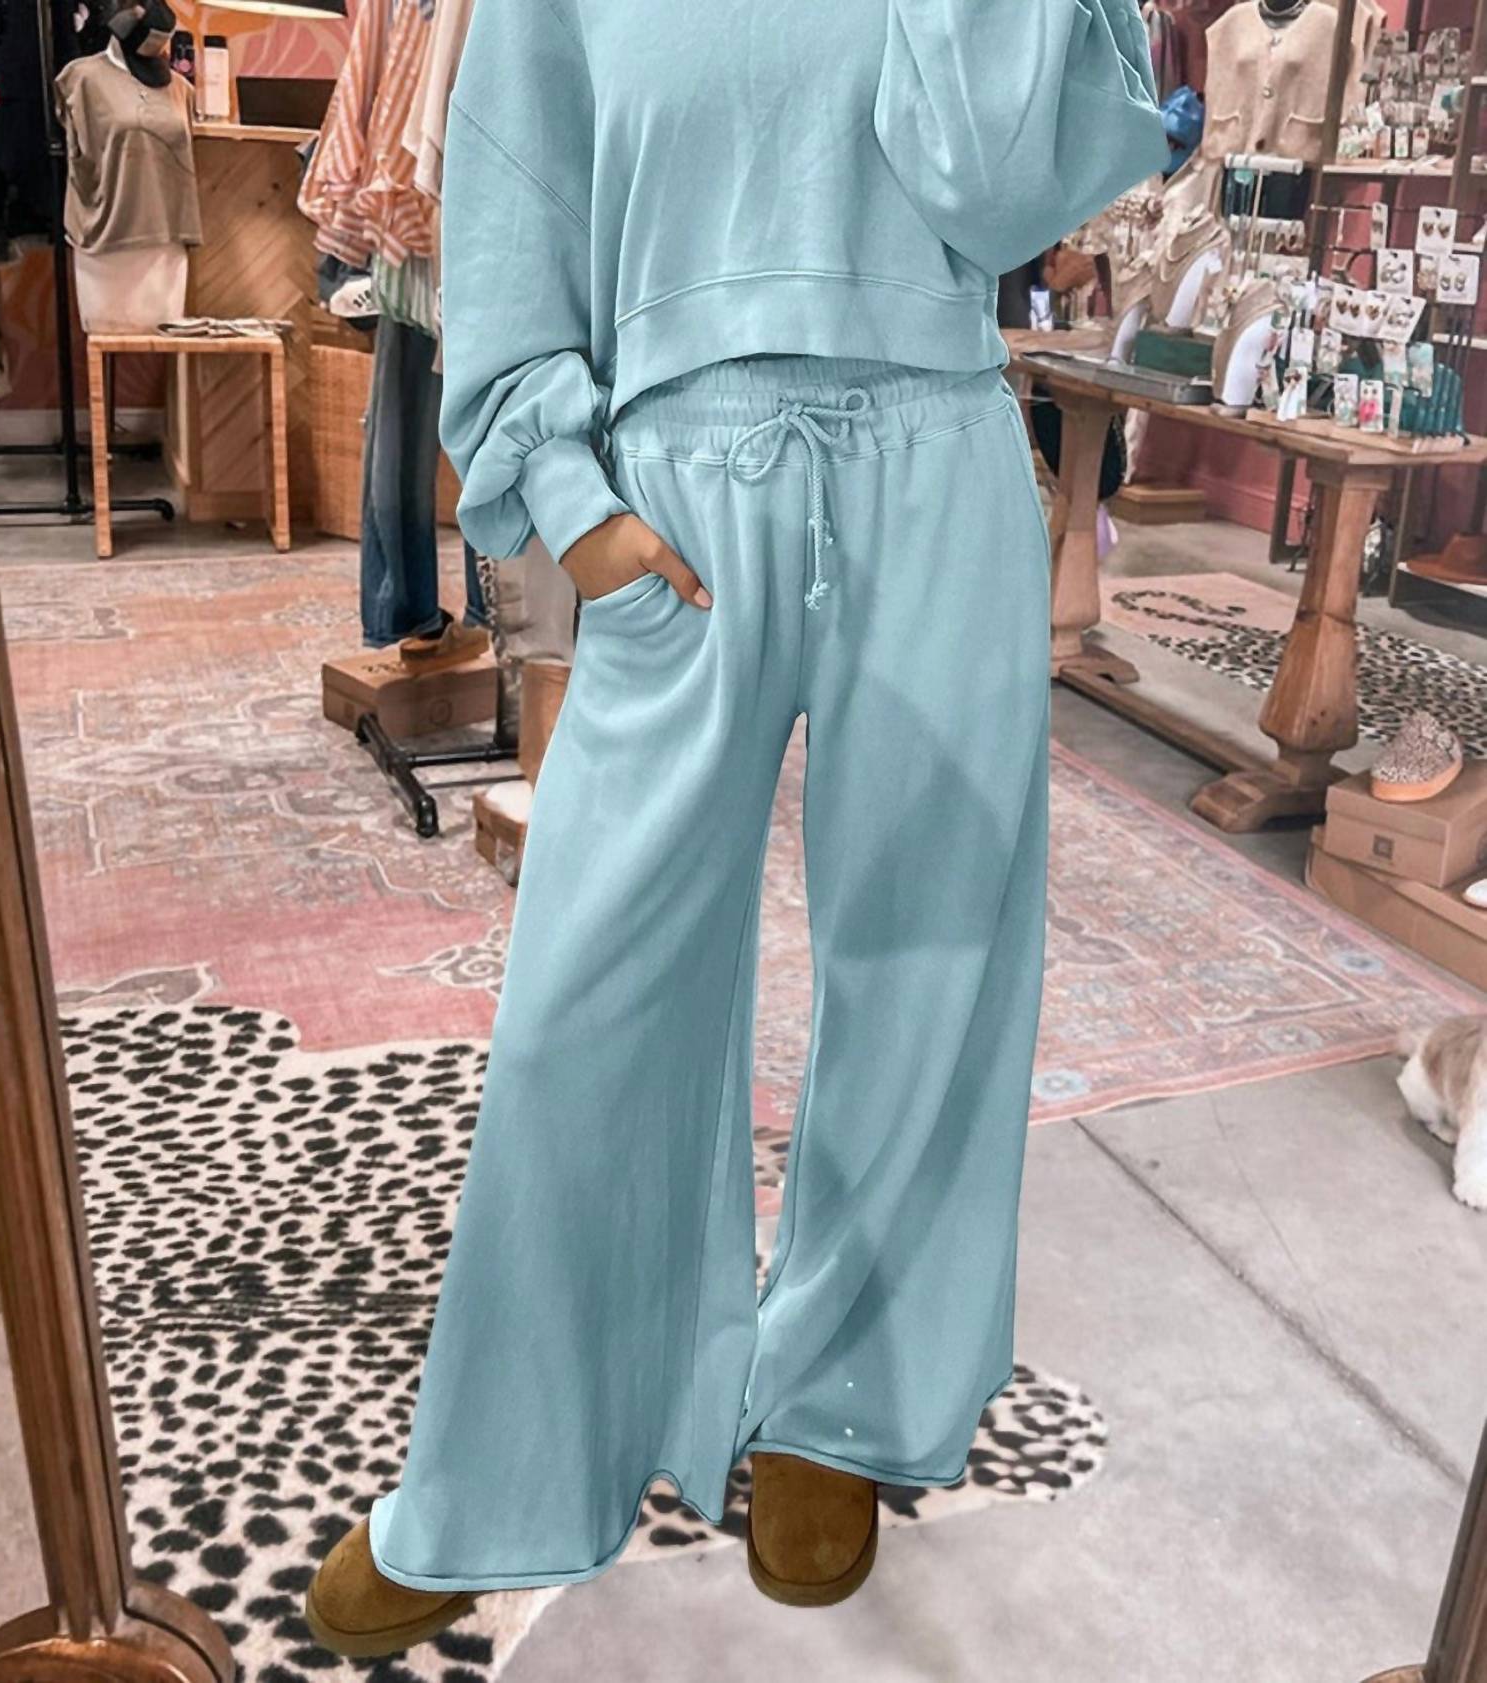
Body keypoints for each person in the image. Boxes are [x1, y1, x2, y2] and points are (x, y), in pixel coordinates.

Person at [306, 0, 1166, 1654]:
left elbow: (999, 189)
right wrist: (571, 497)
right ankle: (503, 1465)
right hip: (678, 484)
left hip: (939, 450)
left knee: (927, 964)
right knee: (589, 993)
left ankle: (838, 1401)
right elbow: (511, 203)